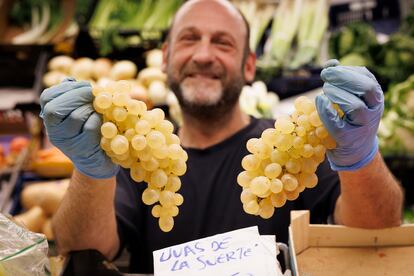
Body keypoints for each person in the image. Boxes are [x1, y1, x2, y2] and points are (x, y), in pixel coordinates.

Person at [40, 0, 403, 273]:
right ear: (165, 58)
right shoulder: (134, 151)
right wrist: (89, 170)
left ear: (249, 66)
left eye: (223, 43)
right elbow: (82, 249)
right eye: (189, 39)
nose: (203, 54)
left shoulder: (289, 147)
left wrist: (362, 157)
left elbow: (376, 229)